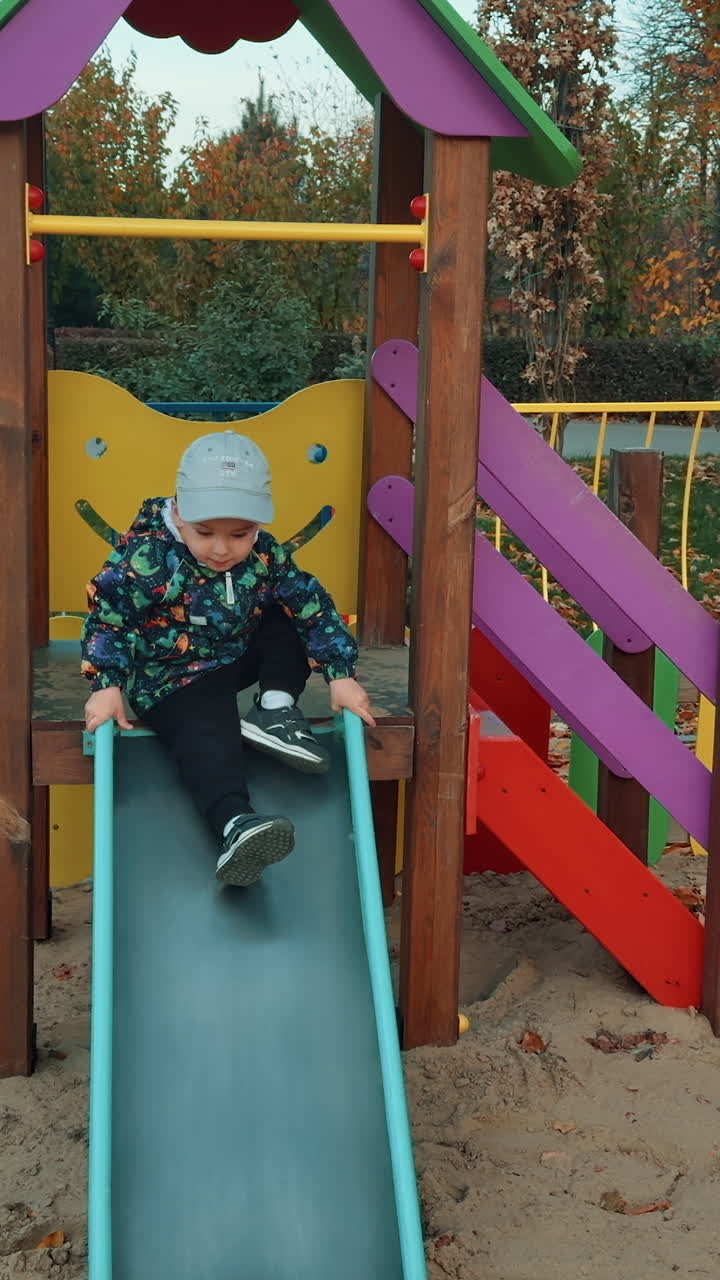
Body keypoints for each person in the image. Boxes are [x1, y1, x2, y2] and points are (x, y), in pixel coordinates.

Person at [81, 430, 375, 887]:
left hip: (232, 656)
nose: (222, 549)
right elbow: (109, 619)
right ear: (179, 512)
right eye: (206, 533)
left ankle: (275, 710)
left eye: (240, 534)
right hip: (170, 677)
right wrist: (108, 685)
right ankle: (236, 824)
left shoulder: (262, 553)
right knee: (208, 728)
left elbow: (311, 604)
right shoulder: (148, 557)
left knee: (287, 612)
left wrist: (340, 675)